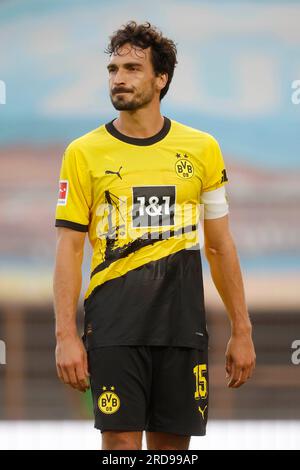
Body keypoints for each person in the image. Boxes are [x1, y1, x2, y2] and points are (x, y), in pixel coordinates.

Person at [53, 21, 256, 451]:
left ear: (161, 78)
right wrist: (65, 335)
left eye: (131, 68)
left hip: (181, 328)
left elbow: (220, 246)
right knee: (122, 449)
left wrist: (242, 330)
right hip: (113, 328)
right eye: (112, 69)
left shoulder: (202, 148)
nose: (119, 78)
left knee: (171, 453)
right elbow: (70, 248)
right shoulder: (82, 152)